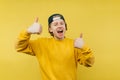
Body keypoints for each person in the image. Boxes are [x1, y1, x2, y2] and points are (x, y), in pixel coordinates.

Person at [15, 13, 95, 80]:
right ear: (50, 29)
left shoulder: (74, 44)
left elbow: (89, 63)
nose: (59, 26)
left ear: (65, 26)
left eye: (62, 23)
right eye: (55, 24)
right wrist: (28, 31)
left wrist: (84, 47)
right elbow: (19, 47)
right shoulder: (41, 43)